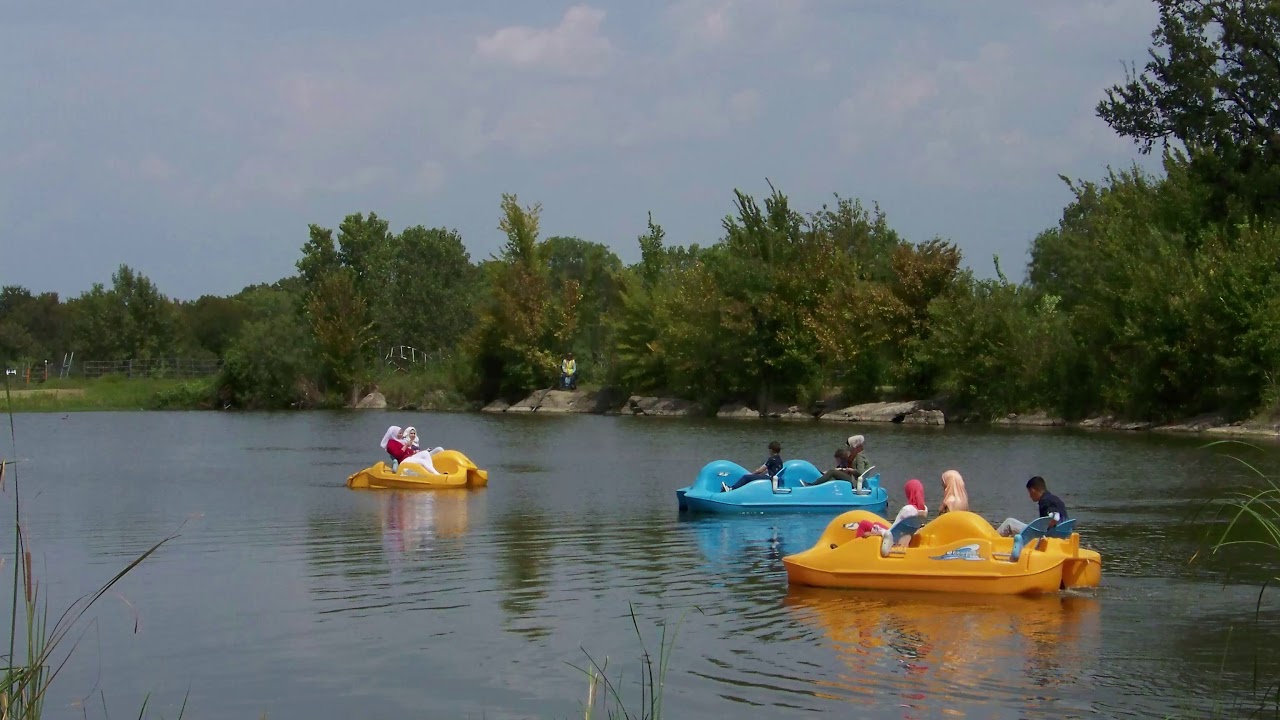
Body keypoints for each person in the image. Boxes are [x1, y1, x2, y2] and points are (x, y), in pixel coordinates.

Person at [847, 478, 929, 555]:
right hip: (901, 538)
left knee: (864, 524)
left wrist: (877, 533)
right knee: (877, 524)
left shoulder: (907, 509)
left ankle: (855, 551)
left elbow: (893, 531)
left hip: (892, 540)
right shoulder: (924, 510)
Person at [997, 475, 1068, 537]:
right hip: (1060, 536)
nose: (1030, 496)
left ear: (1033, 490)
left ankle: (992, 541)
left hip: (1044, 536)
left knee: (1009, 522)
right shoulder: (1056, 500)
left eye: (1029, 492)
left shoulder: (1045, 500)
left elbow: (1055, 517)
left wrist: (1045, 528)